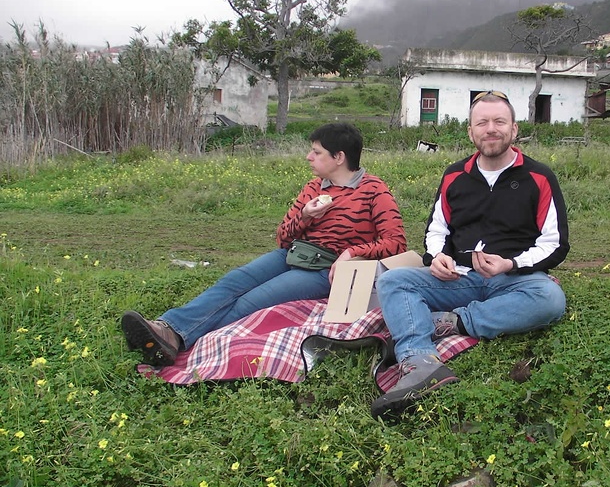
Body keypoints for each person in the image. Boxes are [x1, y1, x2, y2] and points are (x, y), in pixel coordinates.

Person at [122, 122, 407, 366]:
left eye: (316, 152)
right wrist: (305, 217)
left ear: (339, 157)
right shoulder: (312, 188)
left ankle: (181, 342)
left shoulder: (373, 190)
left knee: (252, 301)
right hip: (292, 254)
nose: (309, 157)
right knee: (233, 282)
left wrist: (351, 253)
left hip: (326, 268)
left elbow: (396, 242)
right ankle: (167, 328)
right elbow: (283, 237)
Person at [371, 91, 569, 419]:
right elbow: (437, 231)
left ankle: (453, 322)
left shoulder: (539, 177)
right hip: (458, 278)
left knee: (550, 298)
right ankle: (421, 365)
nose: (491, 129)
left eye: (499, 122)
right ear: (471, 132)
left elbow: (555, 243)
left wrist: (512, 263)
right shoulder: (454, 176)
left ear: (514, 129)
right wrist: (436, 258)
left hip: (513, 280)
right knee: (393, 281)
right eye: (483, 122)